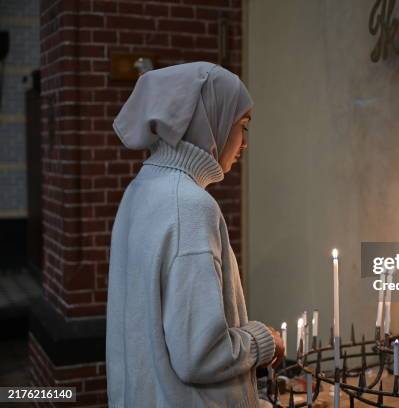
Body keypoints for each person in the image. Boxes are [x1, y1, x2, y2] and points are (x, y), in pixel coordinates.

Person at [106, 61, 285, 408]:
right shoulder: (188, 205)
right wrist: (265, 341)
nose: (245, 143)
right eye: (242, 126)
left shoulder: (141, 189)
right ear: (211, 122)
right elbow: (200, 354)